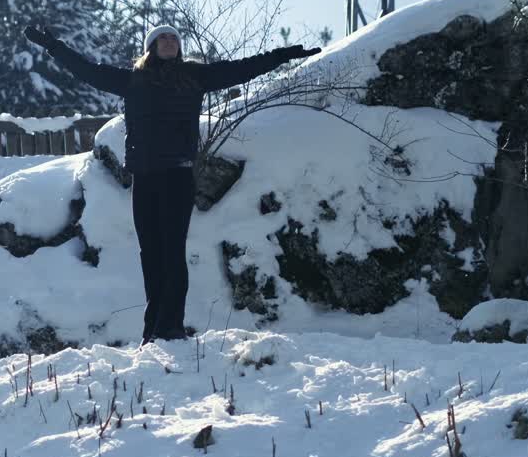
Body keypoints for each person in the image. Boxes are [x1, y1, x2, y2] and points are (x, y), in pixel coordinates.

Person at [24, 24, 320, 344]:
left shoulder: (195, 76)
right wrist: (52, 45)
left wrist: (284, 55)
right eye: (163, 38)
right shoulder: (133, 80)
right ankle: (153, 331)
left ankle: (171, 328)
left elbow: (243, 68)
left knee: (172, 252)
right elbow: (86, 70)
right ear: (151, 46)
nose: (170, 41)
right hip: (145, 176)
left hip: (177, 175)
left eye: (175, 39)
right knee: (150, 253)